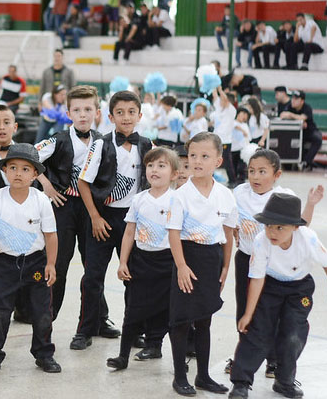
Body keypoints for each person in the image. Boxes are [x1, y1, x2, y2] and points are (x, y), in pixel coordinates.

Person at [228, 193, 327, 399]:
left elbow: (326, 262)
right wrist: (248, 313)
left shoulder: (307, 237)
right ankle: (241, 383)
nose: (272, 232)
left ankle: (284, 380)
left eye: (280, 227)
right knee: (258, 331)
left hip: (299, 288)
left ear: (295, 227)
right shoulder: (261, 241)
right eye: (268, 225)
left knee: (293, 334)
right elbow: (256, 279)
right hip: (269, 285)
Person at [224, 149, 322, 378]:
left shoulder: (283, 195)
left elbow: (301, 224)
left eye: (262, 171)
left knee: (273, 313)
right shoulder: (239, 193)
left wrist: (310, 204)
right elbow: (229, 220)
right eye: (251, 171)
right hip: (247, 260)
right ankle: (243, 358)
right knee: (245, 310)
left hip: (275, 267)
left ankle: (273, 361)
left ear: (276, 175)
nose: (255, 177)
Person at [73, 90, 153, 350]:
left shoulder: (147, 145)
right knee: (93, 276)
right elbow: (83, 183)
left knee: (134, 277)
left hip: (134, 221)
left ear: (139, 115)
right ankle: (85, 329)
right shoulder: (101, 144)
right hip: (104, 218)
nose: (126, 117)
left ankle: (135, 330)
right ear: (110, 116)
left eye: (131, 112)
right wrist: (95, 217)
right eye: (120, 112)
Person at [0, 143, 61, 375]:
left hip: (35, 263)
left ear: (35, 174)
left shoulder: (41, 200)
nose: (18, 173)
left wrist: (50, 263)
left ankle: (44, 354)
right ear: (5, 171)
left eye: (25, 169)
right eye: (12, 167)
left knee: (42, 312)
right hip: (2, 264)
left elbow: (51, 236)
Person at [166, 132, 236, 396]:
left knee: (205, 319)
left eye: (204, 156)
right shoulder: (180, 195)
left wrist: (226, 267)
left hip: (212, 259)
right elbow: (173, 233)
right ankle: (179, 376)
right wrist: (181, 266)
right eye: (193, 155)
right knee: (181, 319)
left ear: (218, 161)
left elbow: (228, 235)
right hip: (187, 257)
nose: (196, 161)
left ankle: (203, 375)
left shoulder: (225, 195)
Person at [34, 85, 103, 321]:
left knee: (93, 265)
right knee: (58, 263)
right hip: (63, 207)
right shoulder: (58, 139)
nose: (83, 114)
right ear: (68, 113)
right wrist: (46, 184)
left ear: (97, 111)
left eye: (88, 109)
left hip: (92, 209)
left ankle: (98, 319)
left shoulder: (104, 141)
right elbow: (27, 155)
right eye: (77, 110)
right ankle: (47, 317)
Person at [107, 147, 179, 370]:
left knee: (165, 310)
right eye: (150, 165)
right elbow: (130, 232)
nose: (154, 170)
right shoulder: (138, 199)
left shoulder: (177, 200)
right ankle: (122, 356)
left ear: (174, 174)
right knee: (133, 309)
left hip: (167, 262)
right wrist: (123, 262)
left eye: (161, 165)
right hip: (141, 260)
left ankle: (156, 346)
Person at [280, 90, 323, 170]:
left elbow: (303, 117)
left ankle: (306, 162)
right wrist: (297, 119)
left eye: (296, 99)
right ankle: (290, 163)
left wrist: (291, 115)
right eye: (292, 98)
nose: (293, 101)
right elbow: (283, 115)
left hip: (309, 132)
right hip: (295, 133)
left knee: (317, 139)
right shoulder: (289, 106)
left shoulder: (307, 108)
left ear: (302, 101)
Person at [212, 86, 237, 185]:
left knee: (227, 162)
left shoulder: (231, 110)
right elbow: (215, 96)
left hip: (225, 140)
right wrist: (212, 84)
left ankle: (233, 180)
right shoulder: (219, 107)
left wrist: (219, 89)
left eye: (222, 99)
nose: (220, 100)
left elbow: (225, 98)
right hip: (216, 138)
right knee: (212, 158)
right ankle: (211, 178)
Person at [231, 108, 251, 184]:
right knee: (234, 164)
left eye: (245, 115)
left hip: (242, 148)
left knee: (241, 165)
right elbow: (235, 126)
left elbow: (248, 137)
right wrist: (243, 131)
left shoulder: (245, 125)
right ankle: (234, 178)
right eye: (241, 114)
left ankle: (241, 178)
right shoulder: (233, 122)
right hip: (233, 148)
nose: (243, 117)